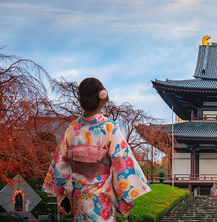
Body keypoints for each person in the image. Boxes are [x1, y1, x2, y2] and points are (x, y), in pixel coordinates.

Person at [43, 77, 151, 221]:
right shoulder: (110, 128)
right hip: (102, 195)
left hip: (78, 194)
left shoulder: (72, 129)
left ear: (81, 100)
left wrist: (61, 192)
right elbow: (122, 163)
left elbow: (60, 164)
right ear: (103, 98)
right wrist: (125, 195)